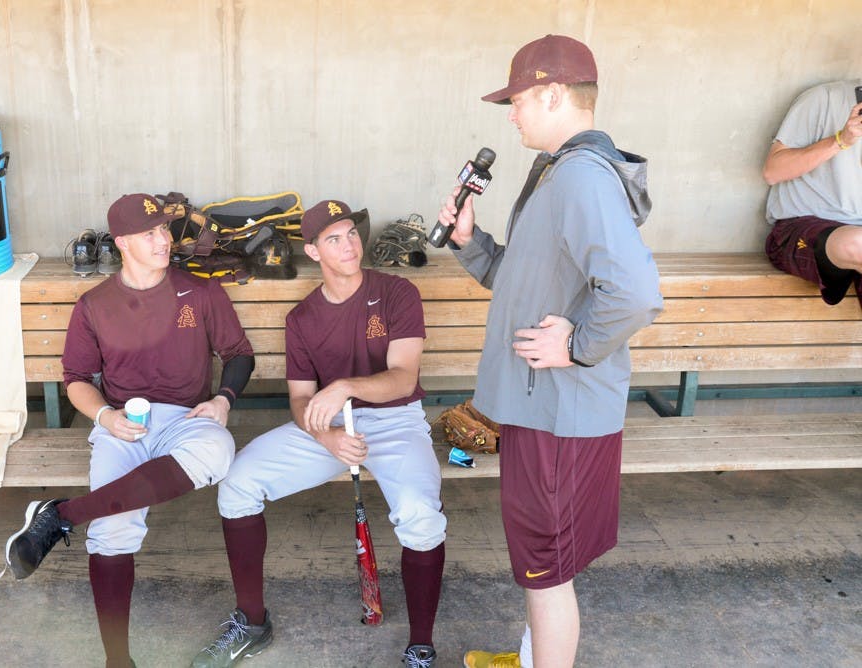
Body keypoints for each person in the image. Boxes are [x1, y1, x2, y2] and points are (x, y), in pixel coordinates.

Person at [435, 35, 663, 668]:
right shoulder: (562, 173)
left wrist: (580, 346)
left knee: (545, 568)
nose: (511, 113)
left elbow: (636, 294)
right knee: (548, 562)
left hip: (557, 413)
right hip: (544, 409)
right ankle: (535, 657)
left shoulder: (581, 177)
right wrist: (470, 240)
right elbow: (527, 280)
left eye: (518, 100)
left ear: (555, 94)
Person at [0, 193, 255, 668]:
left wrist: (222, 399)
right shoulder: (95, 305)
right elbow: (76, 381)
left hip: (185, 419)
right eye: (150, 233)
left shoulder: (201, 291)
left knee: (219, 451)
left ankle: (62, 515)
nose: (163, 240)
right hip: (122, 423)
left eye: (165, 230)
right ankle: (118, 660)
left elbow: (239, 354)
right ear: (123, 242)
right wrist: (106, 418)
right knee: (113, 529)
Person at [191, 199, 447, 668]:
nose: (349, 244)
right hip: (328, 427)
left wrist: (346, 386)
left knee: (420, 517)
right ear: (313, 252)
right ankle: (251, 622)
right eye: (334, 238)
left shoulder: (396, 293)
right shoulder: (302, 318)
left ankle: (421, 646)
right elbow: (300, 400)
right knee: (238, 484)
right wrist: (327, 437)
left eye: (351, 233)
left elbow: (404, 377)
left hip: (395, 420)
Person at [763, 80, 862, 307]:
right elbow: (773, 171)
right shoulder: (823, 98)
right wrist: (841, 140)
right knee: (857, 243)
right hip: (805, 227)